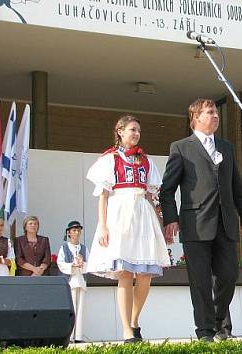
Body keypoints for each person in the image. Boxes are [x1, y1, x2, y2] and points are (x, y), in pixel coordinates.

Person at [159, 98, 242, 342]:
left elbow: (236, 186)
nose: (215, 116)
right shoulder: (181, 147)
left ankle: (218, 319)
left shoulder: (227, 147)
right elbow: (167, 189)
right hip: (196, 223)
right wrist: (171, 218)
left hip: (226, 222)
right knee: (199, 281)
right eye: (210, 112)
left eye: (216, 112)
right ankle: (205, 331)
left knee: (229, 274)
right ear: (196, 118)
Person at [85, 115, 171, 343]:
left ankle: (134, 320)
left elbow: (153, 196)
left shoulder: (146, 161)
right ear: (120, 131)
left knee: (145, 274)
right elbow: (103, 196)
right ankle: (125, 329)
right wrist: (102, 226)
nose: (136, 134)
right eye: (132, 130)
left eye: (139, 131)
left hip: (142, 214)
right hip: (119, 213)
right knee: (124, 272)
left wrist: (159, 223)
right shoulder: (110, 159)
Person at [57, 221, 89, 343]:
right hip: (70, 281)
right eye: (74, 230)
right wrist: (72, 265)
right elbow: (60, 263)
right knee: (72, 309)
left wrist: (82, 264)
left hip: (81, 280)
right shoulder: (64, 247)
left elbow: (89, 264)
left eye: (78, 230)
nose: (77, 232)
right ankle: (69, 336)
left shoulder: (84, 248)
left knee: (80, 309)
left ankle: (79, 336)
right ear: (68, 233)